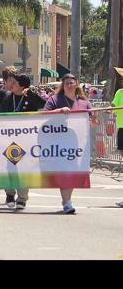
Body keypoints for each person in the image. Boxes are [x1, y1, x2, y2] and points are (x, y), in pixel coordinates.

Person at [0, 64, 46, 209]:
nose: (11, 84)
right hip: (7, 139)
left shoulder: (30, 97)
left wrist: (31, 94)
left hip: (25, 139)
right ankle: (9, 193)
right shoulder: (6, 96)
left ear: (22, 85)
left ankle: (22, 198)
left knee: (23, 168)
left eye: (14, 82)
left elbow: (44, 105)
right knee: (8, 167)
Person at [43, 73, 93, 214]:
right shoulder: (55, 99)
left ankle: (67, 200)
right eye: (66, 83)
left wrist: (93, 121)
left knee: (72, 172)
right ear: (63, 86)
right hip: (58, 142)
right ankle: (67, 202)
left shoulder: (84, 102)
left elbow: (92, 122)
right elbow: (44, 114)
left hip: (77, 144)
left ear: (76, 84)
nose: (69, 85)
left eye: (72, 83)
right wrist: (59, 111)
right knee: (65, 171)